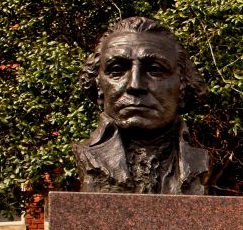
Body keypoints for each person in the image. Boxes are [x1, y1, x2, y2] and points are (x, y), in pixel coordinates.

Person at [74, 16, 210, 194]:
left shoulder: (199, 161)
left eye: (155, 70)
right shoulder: (88, 157)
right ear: (99, 87)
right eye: (117, 70)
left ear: (183, 86)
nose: (135, 85)